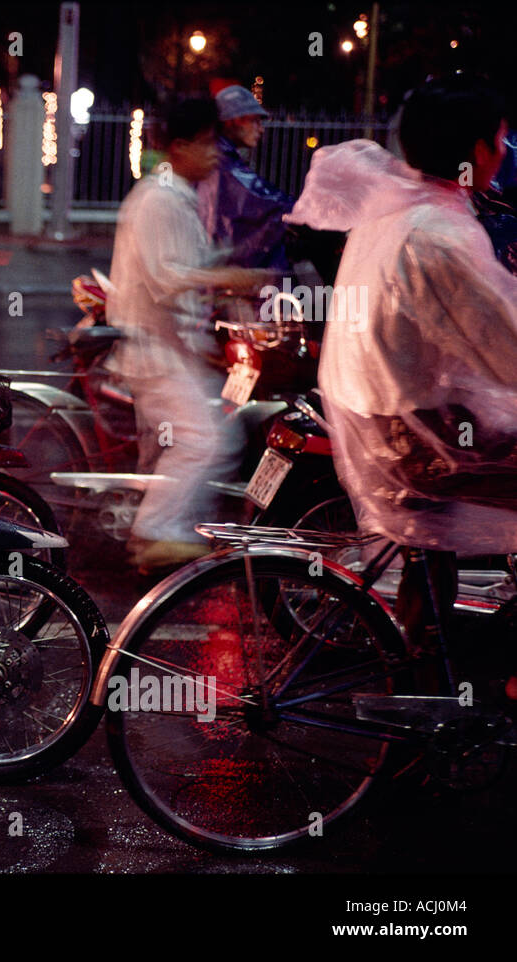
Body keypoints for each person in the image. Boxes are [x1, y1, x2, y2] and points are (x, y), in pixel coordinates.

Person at [312, 75, 517, 696]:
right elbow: (505, 351)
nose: (505, 154)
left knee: (434, 561)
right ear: (478, 151)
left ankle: (428, 673)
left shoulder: (395, 215)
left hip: (386, 427)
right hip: (419, 443)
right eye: (501, 142)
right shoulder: (441, 234)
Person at [106, 97, 273, 572]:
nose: (215, 154)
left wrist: (229, 268)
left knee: (195, 439)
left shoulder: (175, 195)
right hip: (155, 350)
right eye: (206, 144)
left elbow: (188, 270)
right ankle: (156, 534)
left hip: (173, 347)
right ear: (178, 147)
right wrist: (231, 278)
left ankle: (172, 536)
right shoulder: (159, 200)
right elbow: (166, 277)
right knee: (204, 441)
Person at [197, 84, 294, 270]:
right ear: (233, 121)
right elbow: (264, 200)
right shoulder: (223, 162)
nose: (261, 129)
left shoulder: (219, 156)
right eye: (255, 121)